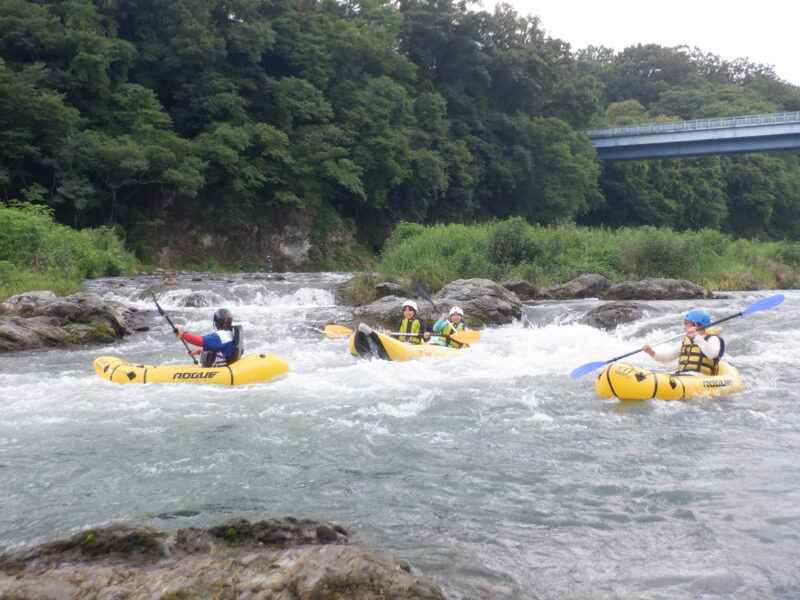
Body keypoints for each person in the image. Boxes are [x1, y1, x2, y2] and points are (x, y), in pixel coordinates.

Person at [642, 309, 724, 375]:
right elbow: (666, 358)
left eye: (686, 323)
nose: (684, 327)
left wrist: (697, 337)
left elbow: (712, 355)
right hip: (683, 374)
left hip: (700, 377)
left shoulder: (713, 339)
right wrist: (651, 352)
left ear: (694, 325)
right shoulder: (685, 342)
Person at [175, 308, 243, 367]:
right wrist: (198, 352)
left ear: (216, 323)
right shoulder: (231, 333)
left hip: (219, 367)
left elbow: (199, 341)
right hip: (227, 362)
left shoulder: (220, 336)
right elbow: (221, 349)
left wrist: (183, 335)